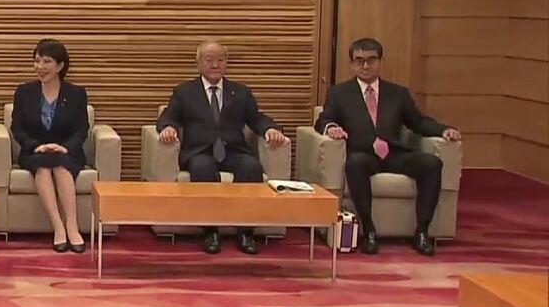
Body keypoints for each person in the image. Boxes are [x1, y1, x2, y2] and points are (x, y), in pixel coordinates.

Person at [315, 37, 461, 256]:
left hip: (393, 153)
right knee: (354, 164)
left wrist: (443, 130)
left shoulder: (397, 93)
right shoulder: (339, 93)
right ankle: (369, 230)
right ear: (352, 63)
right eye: (359, 61)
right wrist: (332, 127)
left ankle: (422, 232)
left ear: (380, 62)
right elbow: (323, 119)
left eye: (371, 60)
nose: (365, 66)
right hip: (363, 154)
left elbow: (417, 122)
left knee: (431, 164)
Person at [157, 40, 289, 255]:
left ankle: (245, 232)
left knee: (251, 167)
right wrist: (168, 127)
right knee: (203, 168)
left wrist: (270, 129)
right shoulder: (185, 92)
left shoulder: (240, 92)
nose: (215, 65)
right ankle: (211, 231)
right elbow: (169, 116)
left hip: (233, 151)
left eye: (220, 60)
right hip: (199, 151)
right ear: (198, 63)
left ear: (226, 63)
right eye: (209, 60)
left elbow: (256, 118)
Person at [10, 39, 90, 253]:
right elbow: (17, 127)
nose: (40, 67)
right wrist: (35, 146)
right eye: (37, 61)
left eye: (47, 62)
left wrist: (66, 147)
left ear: (60, 66)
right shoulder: (24, 92)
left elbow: (82, 129)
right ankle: (58, 227)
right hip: (35, 151)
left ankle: (72, 226)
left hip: (66, 151)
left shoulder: (76, 94)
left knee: (61, 166)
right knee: (43, 166)